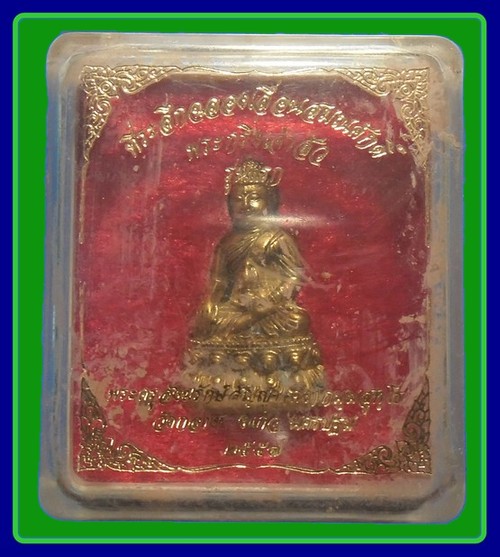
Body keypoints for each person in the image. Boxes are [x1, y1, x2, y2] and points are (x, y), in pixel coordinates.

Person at [185, 159, 324, 391]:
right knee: (207, 321)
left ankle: (248, 359)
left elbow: (294, 276)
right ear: (229, 206)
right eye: (239, 199)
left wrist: (271, 302)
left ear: (269, 204)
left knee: (298, 321)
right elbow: (219, 280)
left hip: (271, 310)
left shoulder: (277, 238)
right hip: (238, 306)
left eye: (254, 198)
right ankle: (241, 347)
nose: (246, 204)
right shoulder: (227, 243)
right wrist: (211, 304)